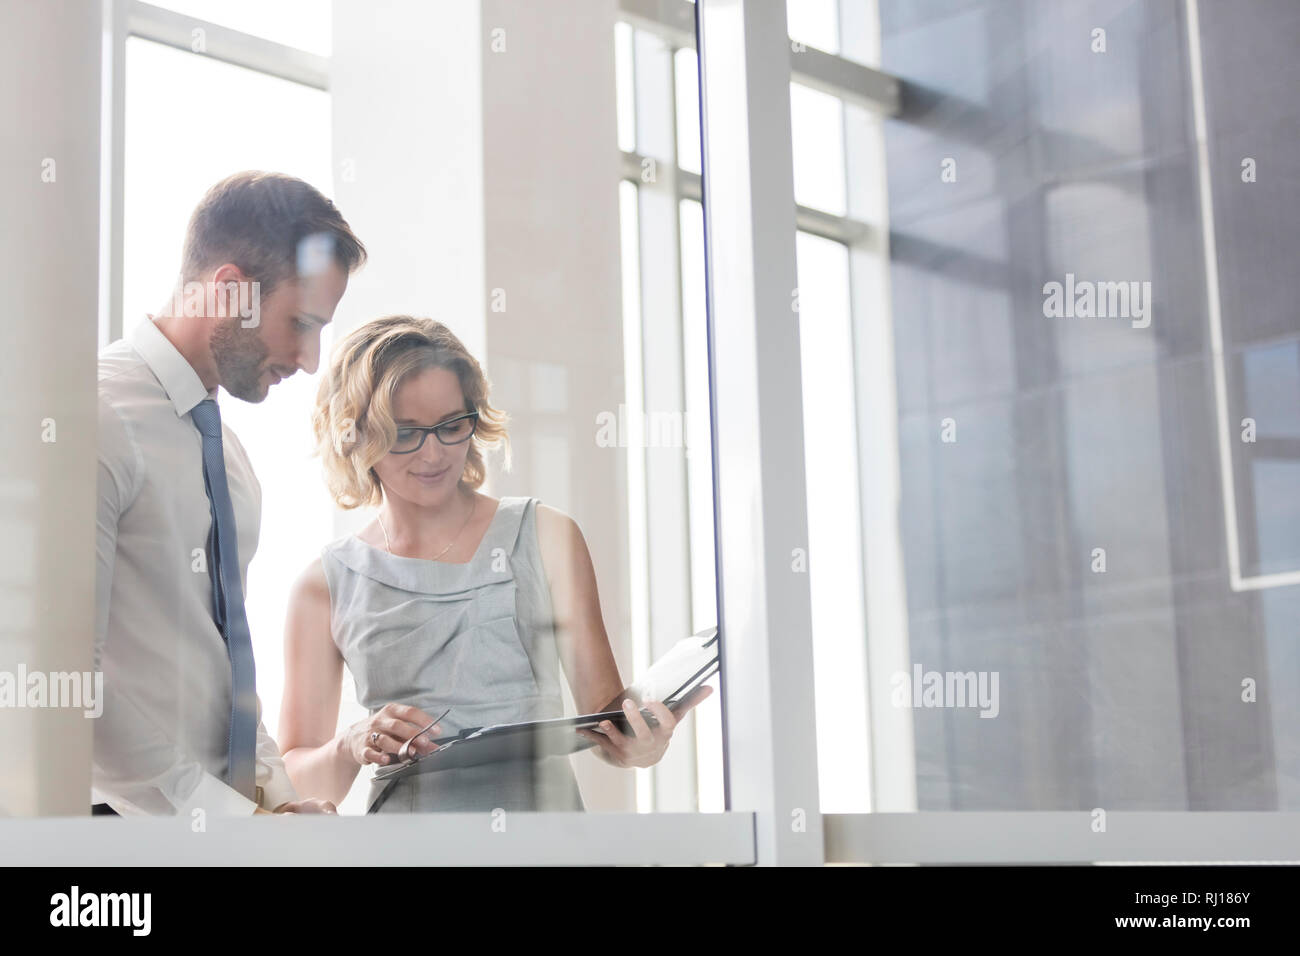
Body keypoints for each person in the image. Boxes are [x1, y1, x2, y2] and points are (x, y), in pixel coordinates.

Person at [279, 316, 712, 812]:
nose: (435, 452)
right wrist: (350, 743)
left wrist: (643, 744)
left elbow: (607, 726)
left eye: (451, 425)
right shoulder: (325, 585)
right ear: (355, 435)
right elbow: (295, 784)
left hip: (545, 845)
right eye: (406, 432)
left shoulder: (546, 536)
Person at [94, 171, 366, 815]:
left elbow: (224, 671)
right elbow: (63, 680)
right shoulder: (95, 418)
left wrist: (271, 799)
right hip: (112, 841)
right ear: (230, 292)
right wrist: (228, 820)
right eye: (299, 323)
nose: (310, 359)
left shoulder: (235, 464)